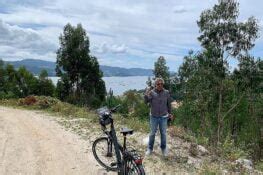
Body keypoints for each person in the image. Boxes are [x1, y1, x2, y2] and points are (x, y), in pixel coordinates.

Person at [144, 78, 173, 157]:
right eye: (158, 84)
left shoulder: (166, 92)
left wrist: (170, 113)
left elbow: (169, 104)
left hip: (164, 117)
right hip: (154, 117)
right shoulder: (152, 93)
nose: (160, 85)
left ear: (163, 84)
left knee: (163, 133)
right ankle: (150, 149)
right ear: (155, 85)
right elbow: (146, 101)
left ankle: (163, 148)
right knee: (152, 133)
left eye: (161, 84)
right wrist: (146, 94)